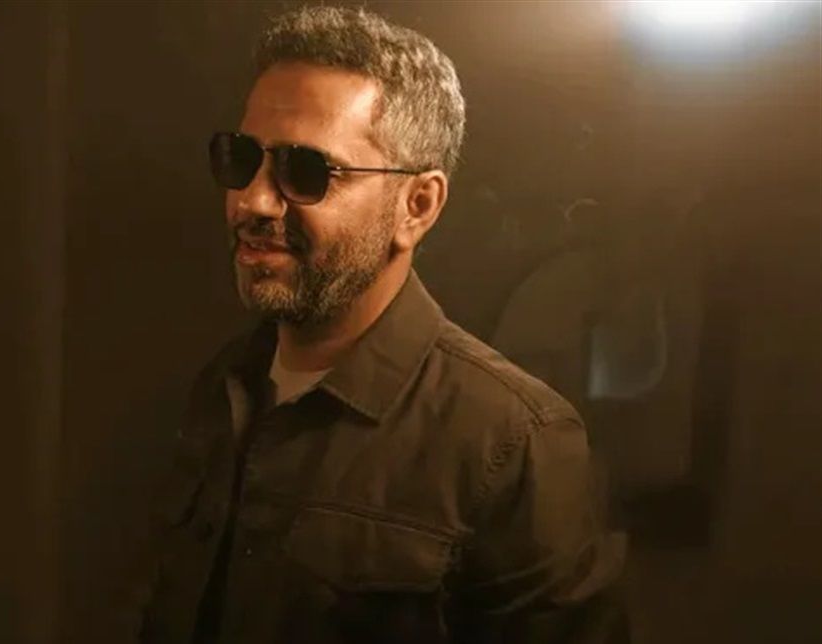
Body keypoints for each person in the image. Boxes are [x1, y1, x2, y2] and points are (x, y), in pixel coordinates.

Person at [136, 6, 628, 643]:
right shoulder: (227, 385)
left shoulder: (511, 445)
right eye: (243, 159)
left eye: (307, 171)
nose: (253, 201)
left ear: (416, 205)